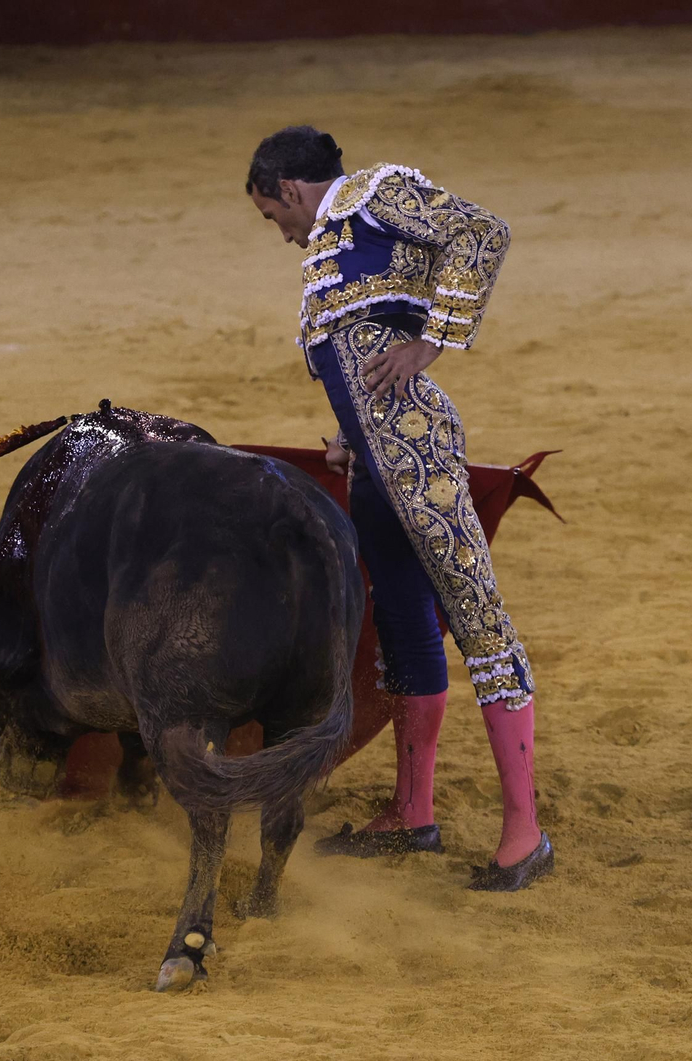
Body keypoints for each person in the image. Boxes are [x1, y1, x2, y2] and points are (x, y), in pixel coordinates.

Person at [245, 125, 553, 890]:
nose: (281, 235)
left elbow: (483, 232)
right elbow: (357, 360)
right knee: (407, 629)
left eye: (270, 215)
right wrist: (351, 441)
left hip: (417, 448)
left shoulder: (374, 193)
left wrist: (432, 345)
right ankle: (412, 812)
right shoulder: (338, 246)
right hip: (375, 464)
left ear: (287, 189)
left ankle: (526, 832)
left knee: (478, 619)